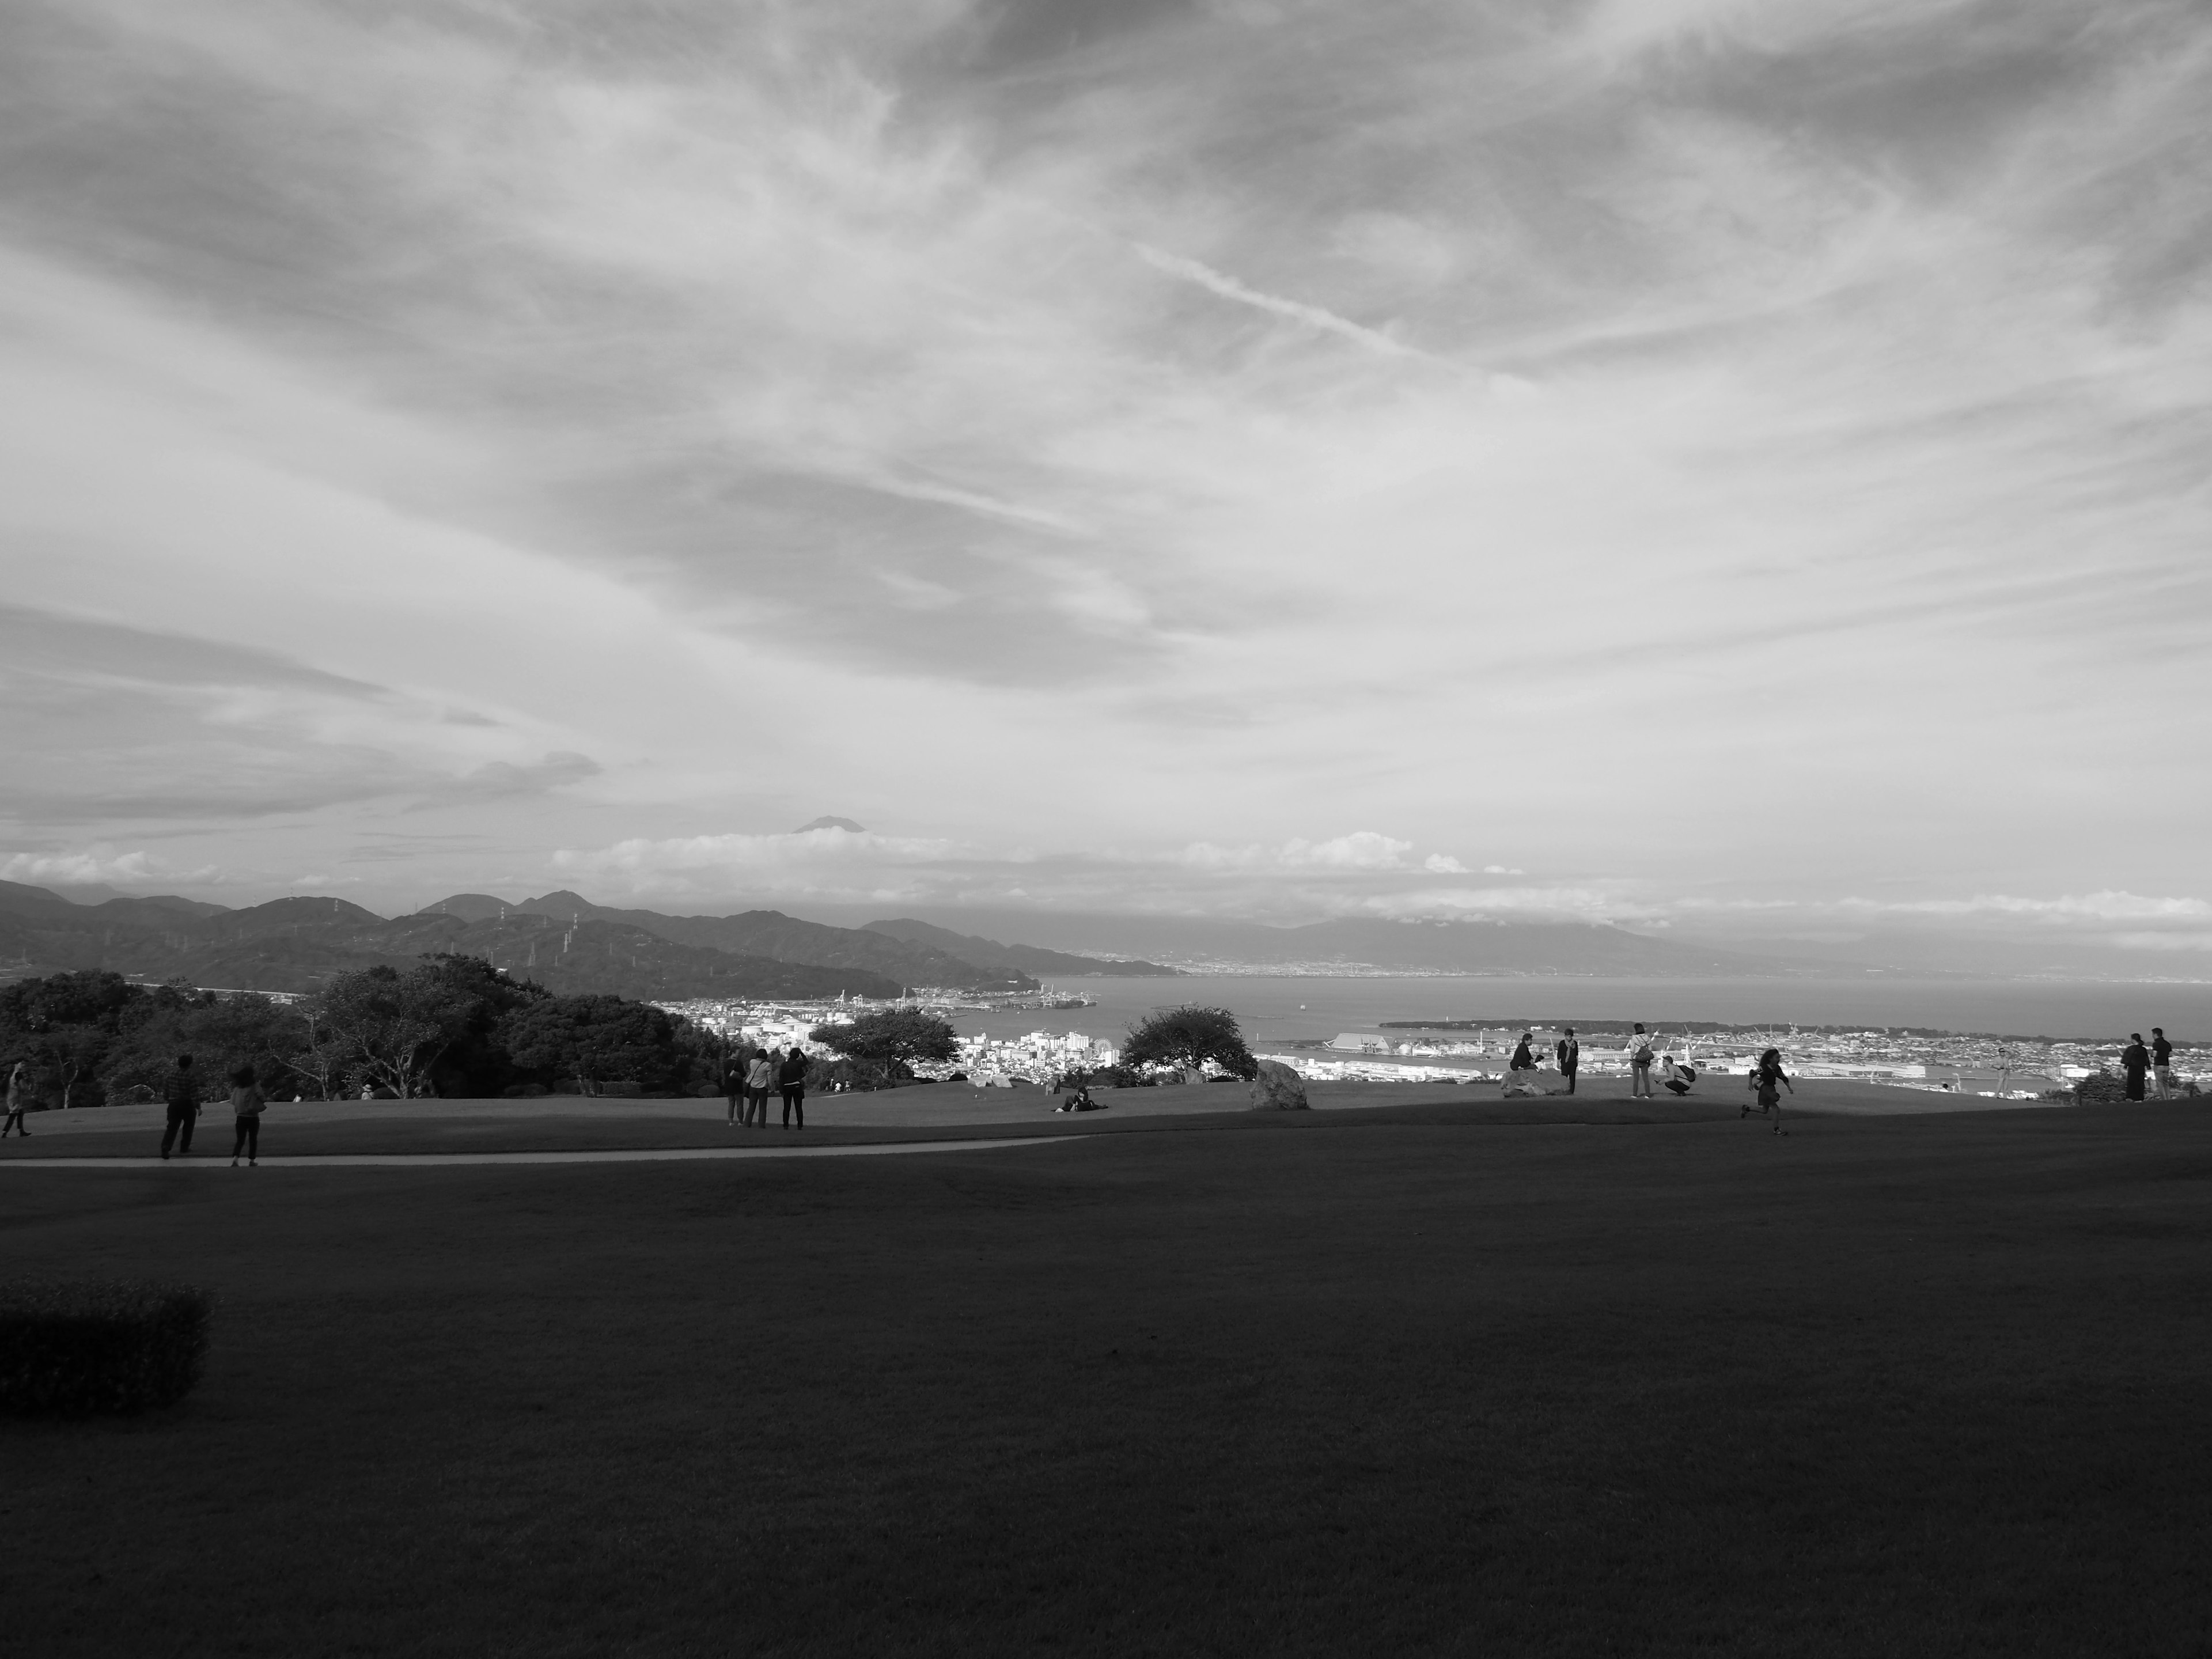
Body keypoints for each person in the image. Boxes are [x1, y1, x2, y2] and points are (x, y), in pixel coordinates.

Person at [160, 1053, 200, 1159]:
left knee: (172, 1127)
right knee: (188, 1127)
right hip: (187, 1103)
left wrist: (169, 1099)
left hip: (173, 1103)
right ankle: (184, 1148)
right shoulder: (190, 1075)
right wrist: (198, 1107)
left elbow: (165, 1090)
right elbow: (194, 1092)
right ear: (189, 1064)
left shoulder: (171, 1074)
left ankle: (166, 1146)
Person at [1744, 1047, 1793, 1134]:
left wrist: (1789, 1087)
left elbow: (1783, 1077)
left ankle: (1747, 1109)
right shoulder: (1764, 1068)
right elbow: (1753, 1073)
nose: (1778, 1060)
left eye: (1779, 1058)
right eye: (1776, 1058)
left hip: (1770, 1088)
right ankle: (1776, 1130)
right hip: (1766, 1089)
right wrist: (1750, 1084)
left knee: (1764, 1110)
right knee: (1776, 1109)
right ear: (1770, 1058)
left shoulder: (1777, 1068)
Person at [228, 1064, 267, 1166]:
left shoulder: (238, 1087)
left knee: (240, 1140)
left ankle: (236, 1159)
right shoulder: (255, 1085)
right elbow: (262, 1097)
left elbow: (233, 1101)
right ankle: (252, 1161)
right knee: (253, 1139)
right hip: (253, 1117)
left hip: (240, 1117)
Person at [744, 1048, 778, 1127]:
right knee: (762, 1108)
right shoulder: (767, 1065)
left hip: (752, 1087)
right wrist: (772, 1089)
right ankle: (761, 1125)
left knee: (751, 1107)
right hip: (762, 1088)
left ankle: (747, 1124)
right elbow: (770, 1079)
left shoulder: (752, 1062)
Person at [778, 1047, 810, 1129]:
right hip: (797, 1086)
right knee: (798, 1107)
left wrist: (781, 1090)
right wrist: (802, 1053)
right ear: (797, 1056)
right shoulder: (798, 1063)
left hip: (787, 1086)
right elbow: (806, 1062)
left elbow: (781, 1078)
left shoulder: (784, 1065)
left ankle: (786, 1125)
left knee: (787, 1107)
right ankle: (800, 1125)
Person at [1, 1059, 30, 1137]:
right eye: (22, 1064)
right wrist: (28, 1090)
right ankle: (5, 1132)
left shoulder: (11, 1074)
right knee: (13, 1115)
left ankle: (21, 1131)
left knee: (20, 1112)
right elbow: (22, 1086)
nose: (23, 1066)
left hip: (10, 1097)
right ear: (17, 1065)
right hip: (15, 1098)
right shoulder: (18, 1074)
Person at [1628, 1024, 1656, 1099]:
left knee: (1636, 1078)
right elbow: (1650, 1049)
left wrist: (1631, 1059)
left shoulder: (1634, 1038)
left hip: (1636, 1058)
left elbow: (1632, 1050)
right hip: (1645, 1059)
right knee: (1646, 1078)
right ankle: (1648, 1094)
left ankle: (1635, 1094)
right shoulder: (1647, 1038)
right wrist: (1649, 1060)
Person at [2122, 1033, 2151, 1102]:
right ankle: (2140, 1097)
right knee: (2140, 1083)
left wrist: (2125, 1066)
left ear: (2133, 1040)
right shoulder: (2143, 1049)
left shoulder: (2131, 1049)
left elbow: (2127, 1058)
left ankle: (2131, 1097)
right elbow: (2146, 1059)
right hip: (2141, 1068)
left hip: (2133, 1068)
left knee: (2132, 1083)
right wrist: (2148, 1067)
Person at [722, 1050, 747, 1125]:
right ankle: (740, 1121)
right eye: (738, 1053)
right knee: (740, 1104)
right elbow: (743, 1074)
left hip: (728, 1085)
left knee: (731, 1104)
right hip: (737, 1086)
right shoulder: (738, 1063)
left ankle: (731, 1121)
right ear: (733, 1053)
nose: (739, 1055)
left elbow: (725, 1073)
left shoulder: (726, 1063)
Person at [2152, 1028, 2176, 1100]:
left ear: (2156, 1034)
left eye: (2153, 1034)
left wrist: (2152, 1055)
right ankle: (2168, 1098)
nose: (2152, 1036)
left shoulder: (2156, 1044)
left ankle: (2163, 1099)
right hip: (2166, 1065)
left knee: (2160, 1084)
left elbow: (2154, 1054)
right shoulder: (2167, 1044)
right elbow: (2171, 1054)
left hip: (2159, 1065)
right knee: (2166, 1084)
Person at [1555, 1028, 1580, 1096]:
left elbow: (1576, 1053)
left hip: (1573, 1062)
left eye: (1569, 1036)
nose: (1568, 1038)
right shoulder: (1562, 1043)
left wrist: (1577, 1062)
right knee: (1564, 1077)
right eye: (1566, 1036)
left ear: (1572, 1036)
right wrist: (1558, 1062)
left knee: (1572, 1079)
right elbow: (1559, 1053)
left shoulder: (1575, 1043)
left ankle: (1571, 1092)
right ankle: (1564, 1090)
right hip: (1565, 1062)